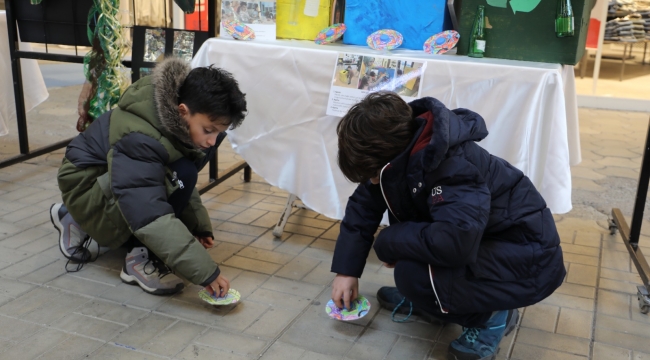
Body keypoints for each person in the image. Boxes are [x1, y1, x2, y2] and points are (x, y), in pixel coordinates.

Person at [331, 92, 565, 360]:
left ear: (392, 159)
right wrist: (346, 271)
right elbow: (363, 207)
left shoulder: (454, 166)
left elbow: (456, 242)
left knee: (412, 275)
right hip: (484, 244)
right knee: (413, 267)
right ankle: (434, 301)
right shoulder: (399, 153)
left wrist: (388, 241)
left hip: (526, 257)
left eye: (374, 175)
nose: (373, 182)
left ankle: (493, 316)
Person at [50, 58, 247, 297]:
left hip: (109, 181)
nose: (211, 140)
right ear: (183, 110)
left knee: (180, 171)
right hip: (85, 189)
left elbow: (167, 180)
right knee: (178, 175)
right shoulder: (140, 136)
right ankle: (135, 258)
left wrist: (199, 224)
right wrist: (206, 273)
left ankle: (72, 218)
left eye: (219, 132)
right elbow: (147, 210)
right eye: (208, 130)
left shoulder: (171, 116)